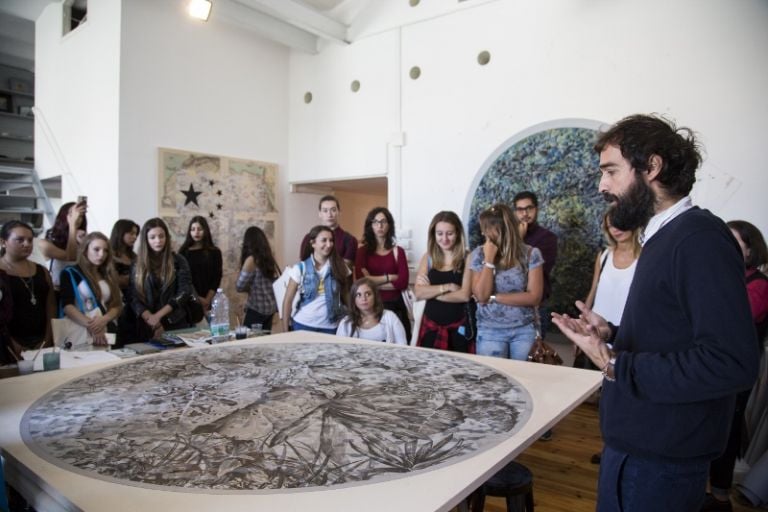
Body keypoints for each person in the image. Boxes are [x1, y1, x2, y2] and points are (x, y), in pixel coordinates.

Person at [551, 114, 759, 512]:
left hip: (661, 460)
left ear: (652, 166)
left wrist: (612, 363)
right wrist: (610, 332)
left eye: (611, 171)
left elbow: (731, 362)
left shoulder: (699, 239)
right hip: (640, 449)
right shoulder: (665, 236)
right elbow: (673, 333)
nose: (602, 185)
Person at [700, 220, 768, 511]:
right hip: (712, 370)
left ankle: (720, 496)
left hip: (735, 375)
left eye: (734, 242)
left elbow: (725, 322)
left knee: (726, 433)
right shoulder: (725, 278)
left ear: (750, 250)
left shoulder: (759, 286)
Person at [470, 203, 543, 360]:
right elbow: (481, 296)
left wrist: (495, 297)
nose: (484, 232)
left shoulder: (531, 254)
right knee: (492, 382)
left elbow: (534, 297)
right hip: (490, 331)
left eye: (488, 227)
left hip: (524, 330)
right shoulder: (479, 254)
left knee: (526, 381)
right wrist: (489, 260)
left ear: (503, 228)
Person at [414, 211, 472, 352]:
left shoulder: (468, 257)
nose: (444, 239)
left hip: (459, 329)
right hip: (430, 328)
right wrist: (447, 286)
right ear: (434, 235)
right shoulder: (428, 258)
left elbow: (464, 295)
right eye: (440, 233)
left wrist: (432, 293)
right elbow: (418, 293)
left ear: (458, 233)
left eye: (449, 233)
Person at [130, 218, 195, 341]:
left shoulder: (179, 260)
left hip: (175, 321)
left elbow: (184, 291)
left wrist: (158, 316)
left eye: (161, 236)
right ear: (146, 240)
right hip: (147, 325)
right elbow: (133, 296)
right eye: (152, 237)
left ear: (167, 237)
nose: (158, 241)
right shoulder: (137, 264)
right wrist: (150, 318)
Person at [354, 207, 411, 341]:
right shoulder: (362, 252)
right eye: (375, 222)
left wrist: (371, 280)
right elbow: (361, 283)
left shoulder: (399, 251)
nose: (379, 225)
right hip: (369, 308)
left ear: (389, 225)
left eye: (383, 222)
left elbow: (402, 282)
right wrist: (390, 277)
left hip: (396, 307)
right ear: (370, 225)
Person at [0, 221, 55, 359]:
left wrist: (47, 339)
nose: (27, 244)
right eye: (20, 240)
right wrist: (11, 343)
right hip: (8, 343)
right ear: (3, 242)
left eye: (30, 240)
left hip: (41, 340)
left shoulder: (42, 271)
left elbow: (51, 308)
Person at [282, 225, 349, 334]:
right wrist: (285, 331)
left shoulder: (341, 267)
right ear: (313, 243)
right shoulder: (300, 268)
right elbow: (287, 300)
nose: (329, 244)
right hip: (302, 325)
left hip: (331, 327)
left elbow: (347, 295)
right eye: (324, 240)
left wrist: (353, 319)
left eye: (331, 240)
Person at [59, 232, 122, 346]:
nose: (101, 254)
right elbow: (67, 306)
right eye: (96, 249)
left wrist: (104, 320)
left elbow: (116, 305)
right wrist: (93, 327)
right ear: (85, 250)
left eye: (106, 250)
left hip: (106, 328)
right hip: (80, 329)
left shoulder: (108, 274)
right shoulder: (71, 273)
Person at [513, 191, 557, 336]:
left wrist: (519, 240)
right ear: (515, 212)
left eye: (529, 208)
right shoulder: (507, 238)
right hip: (509, 305)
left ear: (536, 209)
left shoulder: (547, 238)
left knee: (533, 355)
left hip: (536, 307)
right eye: (520, 209)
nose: (525, 213)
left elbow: (527, 271)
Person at [336, 277, 407, 344]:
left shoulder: (390, 317)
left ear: (375, 296)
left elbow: (403, 346)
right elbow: (339, 350)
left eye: (368, 294)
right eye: (358, 295)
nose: (363, 298)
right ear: (353, 299)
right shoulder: (345, 323)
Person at [236, 226, 280, 332]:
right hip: (270, 309)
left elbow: (239, 286)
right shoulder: (269, 258)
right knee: (263, 341)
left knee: (250, 343)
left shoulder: (251, 260)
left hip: (256, 310)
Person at [39, 200, 87, 291]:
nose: (77, 218)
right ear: (63, 216)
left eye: (80, 216)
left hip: (81, 290)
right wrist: (72, 226)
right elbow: (70, 257)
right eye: (72, 215)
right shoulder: (46, 242)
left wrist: (84, 244)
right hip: (58, 291)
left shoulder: (82, 239)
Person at [299, 195, 358, 270]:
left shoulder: (350, 240)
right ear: (319, 214)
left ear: (339, 212)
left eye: (333, 210)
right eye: (325, 210)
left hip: (339, 281)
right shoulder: (309, 237)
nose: (329, 214)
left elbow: (345, 269)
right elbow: (304, 265)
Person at [178, 216, 222, 313]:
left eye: (200, 229)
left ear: (205, 230)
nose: (196, 232)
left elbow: (217, 278)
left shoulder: (215, 252)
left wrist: (207, 300)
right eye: (193, 229)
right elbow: (182, 280)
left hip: (210, 299)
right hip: (188, 299)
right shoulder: (183, 253)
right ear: (189, 232)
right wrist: (197, 298)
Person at [110, 219, 140, 345]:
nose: (134, 237)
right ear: (120, 232)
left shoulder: (134, 256)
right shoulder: (109, 254)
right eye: (131, 233)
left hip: (135, 302)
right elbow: (115, 280)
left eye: (135, 234)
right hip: (117, 302)